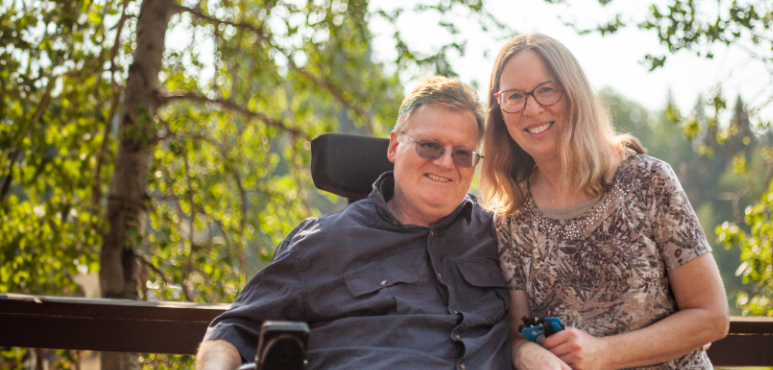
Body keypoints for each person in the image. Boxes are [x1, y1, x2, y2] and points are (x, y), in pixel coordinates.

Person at [196, 76, 512, 370]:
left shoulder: (502, 235)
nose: (445, 162)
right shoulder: (322, 242)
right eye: (430, 145)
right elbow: (234, 331)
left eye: (462, 154)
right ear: (394, 146)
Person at [479, 34, 729, 370]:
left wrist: (605, 352)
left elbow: (711, 318)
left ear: (574, 93)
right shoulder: (511, 216)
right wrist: (526, 354)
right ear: (500, 111)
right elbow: (518, 334)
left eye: (546, 89)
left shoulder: (648, 180)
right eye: (514, 96)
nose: (532, 108)